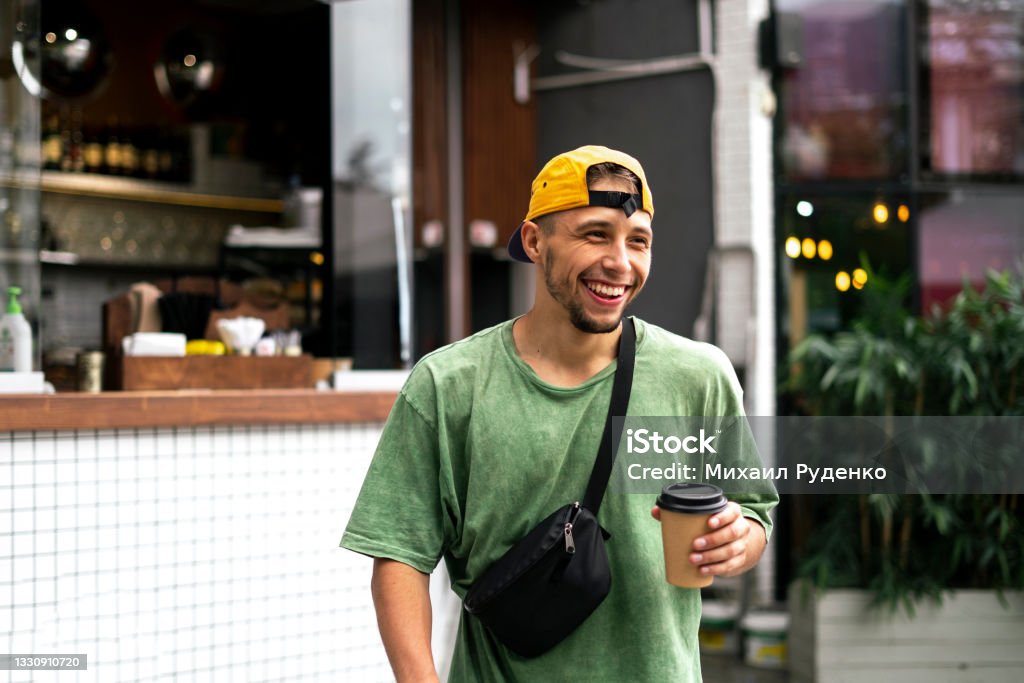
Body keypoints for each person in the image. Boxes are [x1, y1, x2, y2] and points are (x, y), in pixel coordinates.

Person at [341, 145, 779, 682]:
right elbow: (399, 556)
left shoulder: (699, 377)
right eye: (595, 234)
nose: (621, 263)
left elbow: (754, 513)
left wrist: (740, 540)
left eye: (637, 240)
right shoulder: (448, 386)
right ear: (534, 241)